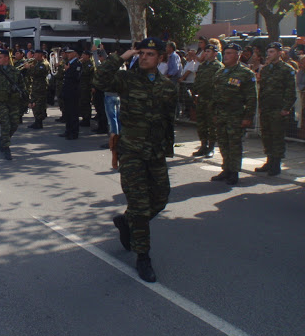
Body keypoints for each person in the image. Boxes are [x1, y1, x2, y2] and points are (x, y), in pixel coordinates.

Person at [94, 37, 177, 283]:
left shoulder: (169, 87)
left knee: (161, 199)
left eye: (149, 54)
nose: (144, 58)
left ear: (161, 58)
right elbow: (100, 81)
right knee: (140, 206)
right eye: (141, 53)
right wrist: (122, 56)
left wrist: (167, 149)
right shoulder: (127, 80)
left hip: (156, 153)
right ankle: (143, 256)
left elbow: (167, 122)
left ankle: (126, 221)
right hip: (131, 152)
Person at [211, 43, 258, 185]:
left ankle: (234, 172)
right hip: (221, 114)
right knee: (223, 143)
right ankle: (226, 169)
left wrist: (248, 117)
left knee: (235, 144)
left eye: (230, 53)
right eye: (225, 53)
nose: (226, 56)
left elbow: (251, 97)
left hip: (236, 115)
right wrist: (213, 112)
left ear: (238, 55)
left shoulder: (246, 73)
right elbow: (215, 94)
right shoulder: (220, 72)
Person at [255, 42, 297, 176]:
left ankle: (276, 163)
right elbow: (262, 89)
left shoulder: (286, 69)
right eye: (268, 51)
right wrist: (261, 106)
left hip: (278, 108)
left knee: (277, 136)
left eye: (272, 51)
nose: (269, 54)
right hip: (266, 107)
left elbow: (291, 91)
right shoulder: (266, 69)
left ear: (279, 53)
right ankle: (269, 160)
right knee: (266, 136)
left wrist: (286, 108)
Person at [0, 50, 26, 160]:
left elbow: (22, 87)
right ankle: (6, 147)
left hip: (13, 102)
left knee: (15, 124)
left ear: (7, 58)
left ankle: (4, 139)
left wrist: (28, 101)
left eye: (0, 57)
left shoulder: (16, 72)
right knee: (5, 124)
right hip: (1, 102)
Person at [192, 43, 223, 157]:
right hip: (201, 98)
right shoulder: (202, 65)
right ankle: (203, 145)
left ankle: (211, 147)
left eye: (209, 52)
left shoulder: (218, 66)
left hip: (211, 99)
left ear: (215, 53)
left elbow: (219, 85)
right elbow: (198, 80)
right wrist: (195, 92)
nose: (206, 53)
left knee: (211, 124)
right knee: (201, 123)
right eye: (205, 51)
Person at [59, 47, 82, 140]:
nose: (68, 55)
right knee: (68, 113)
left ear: (75, 53)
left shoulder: (77, 64)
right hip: (67, 91)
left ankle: (74, 132)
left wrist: (67, 70)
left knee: (73, 113)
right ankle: (68, 130)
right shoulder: (68, 63)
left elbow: (76, 77)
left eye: (70, 53)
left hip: (73, 92)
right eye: (67, 53)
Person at [25, 49, 50, 129]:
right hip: (36, 86)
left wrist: (29, 68)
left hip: (41, 87)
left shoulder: (44, 64)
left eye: (36, 55)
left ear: (40, 55)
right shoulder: (38, 63)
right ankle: (37, 121)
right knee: (35, 104)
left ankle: (39, 122)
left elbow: (37, 73)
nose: (34, 56)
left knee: (39, 105)